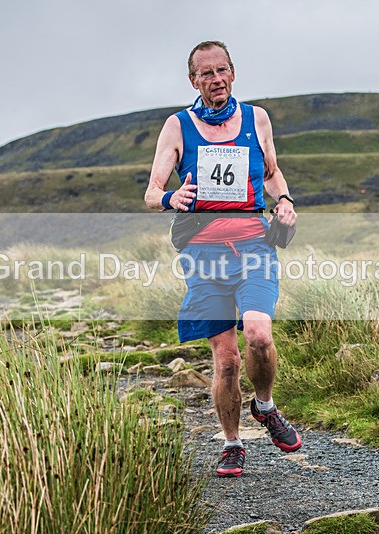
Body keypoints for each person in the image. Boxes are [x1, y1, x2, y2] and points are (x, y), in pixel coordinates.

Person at [144, 41, 301, 477]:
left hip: (254, 247)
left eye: (221, 70)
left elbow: (271, 173)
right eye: (206, 73)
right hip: (204, 256)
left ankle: (264, 406)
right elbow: (152, 191)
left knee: (259, 335)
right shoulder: (178, 126)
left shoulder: (256, 119)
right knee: (227, 360)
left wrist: (284, 200)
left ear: (233, 72)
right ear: (193, 80)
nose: (215, 79)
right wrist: (171, 197)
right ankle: (232, 444)